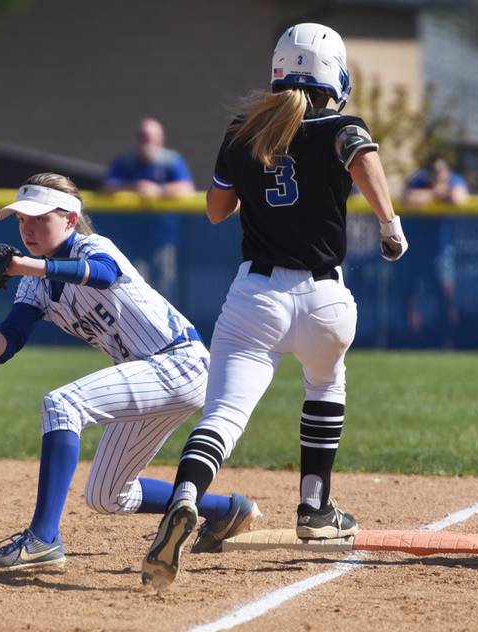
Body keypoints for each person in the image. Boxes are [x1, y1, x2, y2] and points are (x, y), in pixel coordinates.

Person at [141, 22, 408, 589]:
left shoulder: (243, 131)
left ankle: (185, 498)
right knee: (325, 383)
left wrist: (257, 183)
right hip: (324, 297)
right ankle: (315, 509)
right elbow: (363, 157)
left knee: (223, 416)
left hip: (254, 296)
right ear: (333, 73)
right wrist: (390, 223)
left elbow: (216, 209)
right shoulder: (341, 125)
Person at [0, 173, 259, 569]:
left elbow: (101, 274)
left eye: (38, 217)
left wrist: (24, 265)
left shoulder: (93, 246)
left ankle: (42, 538)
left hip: (180, 361)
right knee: (106, 497)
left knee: (61, 404)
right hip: (151, 375)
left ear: (69, 219)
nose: (27, 228)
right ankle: (227, 510)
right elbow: (4, 348)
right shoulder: (32, 284)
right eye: (20, 220)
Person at [102, 118, 195, 197]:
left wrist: (158, 190)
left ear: (160, 140)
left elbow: (187, 189)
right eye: (142, 137)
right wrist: (134, 187)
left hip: (161, 216)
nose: (146, 143)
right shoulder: (124, 161)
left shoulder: (171, 160)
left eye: (150, 138)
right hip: (130, 216)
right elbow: (107, 186)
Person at [402, 154, 469, 207]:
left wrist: (425, 196)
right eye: (433, 171)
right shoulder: (421, 179)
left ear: (448, 170)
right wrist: (436, 193)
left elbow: (457, 198)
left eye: (440, 171)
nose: (436, 175)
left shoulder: (455, 179)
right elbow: (407, 198)